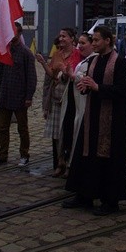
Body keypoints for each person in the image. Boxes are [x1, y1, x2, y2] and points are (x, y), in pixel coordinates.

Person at [63, 25, 126, 216]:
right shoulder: (92, 61)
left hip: (111, 120)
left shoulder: (120, 63)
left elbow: (123, 91)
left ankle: (110, 200)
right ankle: (85, 194)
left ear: (107, 41)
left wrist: (98, 87)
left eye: (96, 40)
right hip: (92, 116)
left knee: (108, 159)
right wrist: (84, 86)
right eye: (92, 40)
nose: (93, 43)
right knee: (86, 154)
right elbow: (89, 85)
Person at [0, 22, 37, 167]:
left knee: (22, 129)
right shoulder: (4, 51)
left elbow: (31, 77)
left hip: (19, 97)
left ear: (19, 34)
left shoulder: (26, 53)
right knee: (3, 128)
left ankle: (24, 155)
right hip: (5, 96)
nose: (11, 36)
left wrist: (29, 97)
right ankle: (2, 155)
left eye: (14, 33)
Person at [36, 28, 80, 175]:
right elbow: (52, 75)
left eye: (64, 36)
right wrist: (43, 63)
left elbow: (76, 75)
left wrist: (67, 72)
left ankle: (69, 163)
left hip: (71, 97)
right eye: (60, 36)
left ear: (72, 39)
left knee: (68, 131)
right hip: (57, 98)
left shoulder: (77, 54)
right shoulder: (57, 54)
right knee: (57, 134)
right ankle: (60, 162)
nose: (61, 39)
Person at [61, 32, 97, 178]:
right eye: (79, 43)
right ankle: (69, 164)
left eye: (83, 43)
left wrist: (73, 75)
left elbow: (87, 79)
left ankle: (74, 167)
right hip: (74, 103)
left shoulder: (93, 60)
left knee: (79, 136)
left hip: (83, 105)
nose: (79, 46)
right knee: (71, 133)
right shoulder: (83, 60)